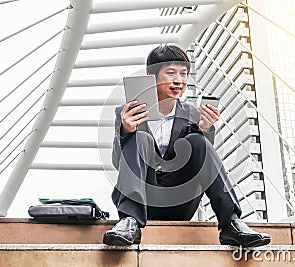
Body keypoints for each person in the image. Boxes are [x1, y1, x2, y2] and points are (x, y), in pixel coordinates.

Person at [103, 45, 270, 247]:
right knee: (140, 138)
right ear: (152, 77)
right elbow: (117, 162)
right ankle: (129, 222)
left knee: (197, 141)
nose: (179, 80)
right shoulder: (128, 112)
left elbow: (202, 164)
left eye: (183, 74)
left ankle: (231, 223)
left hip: (180, 199)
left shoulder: (193, 114)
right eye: (171, 73)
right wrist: (126, 131)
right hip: (143, 200)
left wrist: (204, 131)